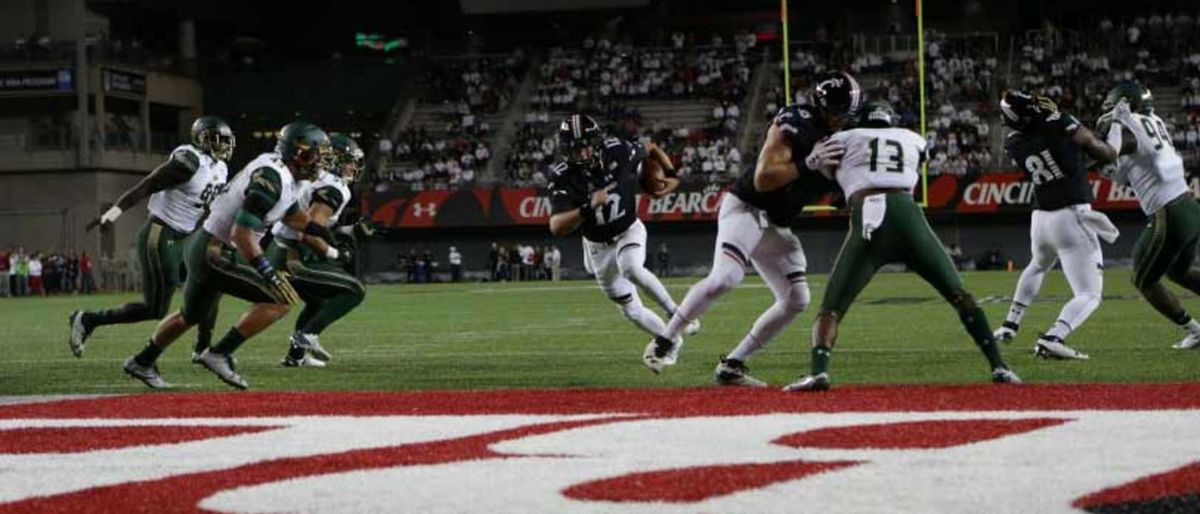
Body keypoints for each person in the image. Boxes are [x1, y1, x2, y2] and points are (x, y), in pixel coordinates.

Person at [782, 99, 1020, 392]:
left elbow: (829, 175)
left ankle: (819, 371)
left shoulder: (843, 138)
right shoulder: (913, 139)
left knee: (831, 308)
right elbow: (911, 172)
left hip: (868, 215)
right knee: (959, 294)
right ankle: (1000, 366)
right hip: (907, 215)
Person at [642, 73, 853, 383]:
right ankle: (665, 339)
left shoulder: (846, 144)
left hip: (775, 225)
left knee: (797, 299)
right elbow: (763, 178)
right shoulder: (798, 123)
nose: (842, 121)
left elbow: (842, 195)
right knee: (725, 278)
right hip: (748, 207)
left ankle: (733, 365)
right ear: (821, 108)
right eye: (838, 113)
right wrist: (807, 163)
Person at [121, 121, 332, 389]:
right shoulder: (272, 178)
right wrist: (267, 271)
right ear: (297, 154)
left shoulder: (280, 173)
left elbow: (290, 213)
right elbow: (241, 234)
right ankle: (220, 353)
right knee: (283, 298)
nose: (319, 163)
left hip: (205, 245)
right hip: (215, 251)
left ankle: (142, 361)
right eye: (315, 156)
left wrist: (318, 230)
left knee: (190, 315)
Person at [68, 116, 232, 358]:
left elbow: (204, 206)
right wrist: (111, 214)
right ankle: (88, 319)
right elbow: (145, 186)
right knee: (155, 308)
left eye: (226, 141)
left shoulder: (220, 167)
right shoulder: (187, 162)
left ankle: (203, 348)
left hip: (185, 236)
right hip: (161, 234)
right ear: (201, 139)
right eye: (216, 140)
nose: (223, 146)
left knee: (211, 283)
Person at [547, 114, 699, 348]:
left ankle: (677, 314)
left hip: (628, 230)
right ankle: (671, 340)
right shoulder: (562, 175)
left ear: (596, 142)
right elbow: (556, 226)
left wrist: (671, 175)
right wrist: (589, 206)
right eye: (575, 150)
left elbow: (650, 147)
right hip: (597, 245)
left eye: (585, 147)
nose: (582, 154)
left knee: (630, 268)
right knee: (631, 310)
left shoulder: (617, 150)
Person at [993, 90, 1120, 360]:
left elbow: (1064, 157)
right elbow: (1107, 153)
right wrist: (1116, 126)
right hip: (1071, 216)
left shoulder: (1013, 142)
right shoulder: (1058, 122)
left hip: (1041, 219)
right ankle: (1054, 337)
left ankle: (1009, 325)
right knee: (1089, 295)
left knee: (1037, 265)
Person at [1098, 82, 1200, 350]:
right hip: (1188, 206)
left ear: (1125, 106)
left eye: (1112, 108)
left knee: (1143, 280)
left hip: (1169, 213)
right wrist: (1109, 167)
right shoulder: (1153, 120)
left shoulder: (1131, 127)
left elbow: (1111, 152)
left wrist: (1114, 130)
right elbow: (1125, 169)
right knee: (1179, 271)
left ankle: (1195, 330)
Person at [263, 133, 367, 368]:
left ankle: (295, 356)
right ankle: (307, 336)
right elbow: (310, 231)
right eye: (350, 160)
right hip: (290, 254)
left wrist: (349, 231)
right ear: (337, 159)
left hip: (281, 248)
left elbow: (319, 224)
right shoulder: (335, 187)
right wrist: (334, 254)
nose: (353, 166)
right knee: (354, 290)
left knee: (319, 300)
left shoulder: (315, 178)